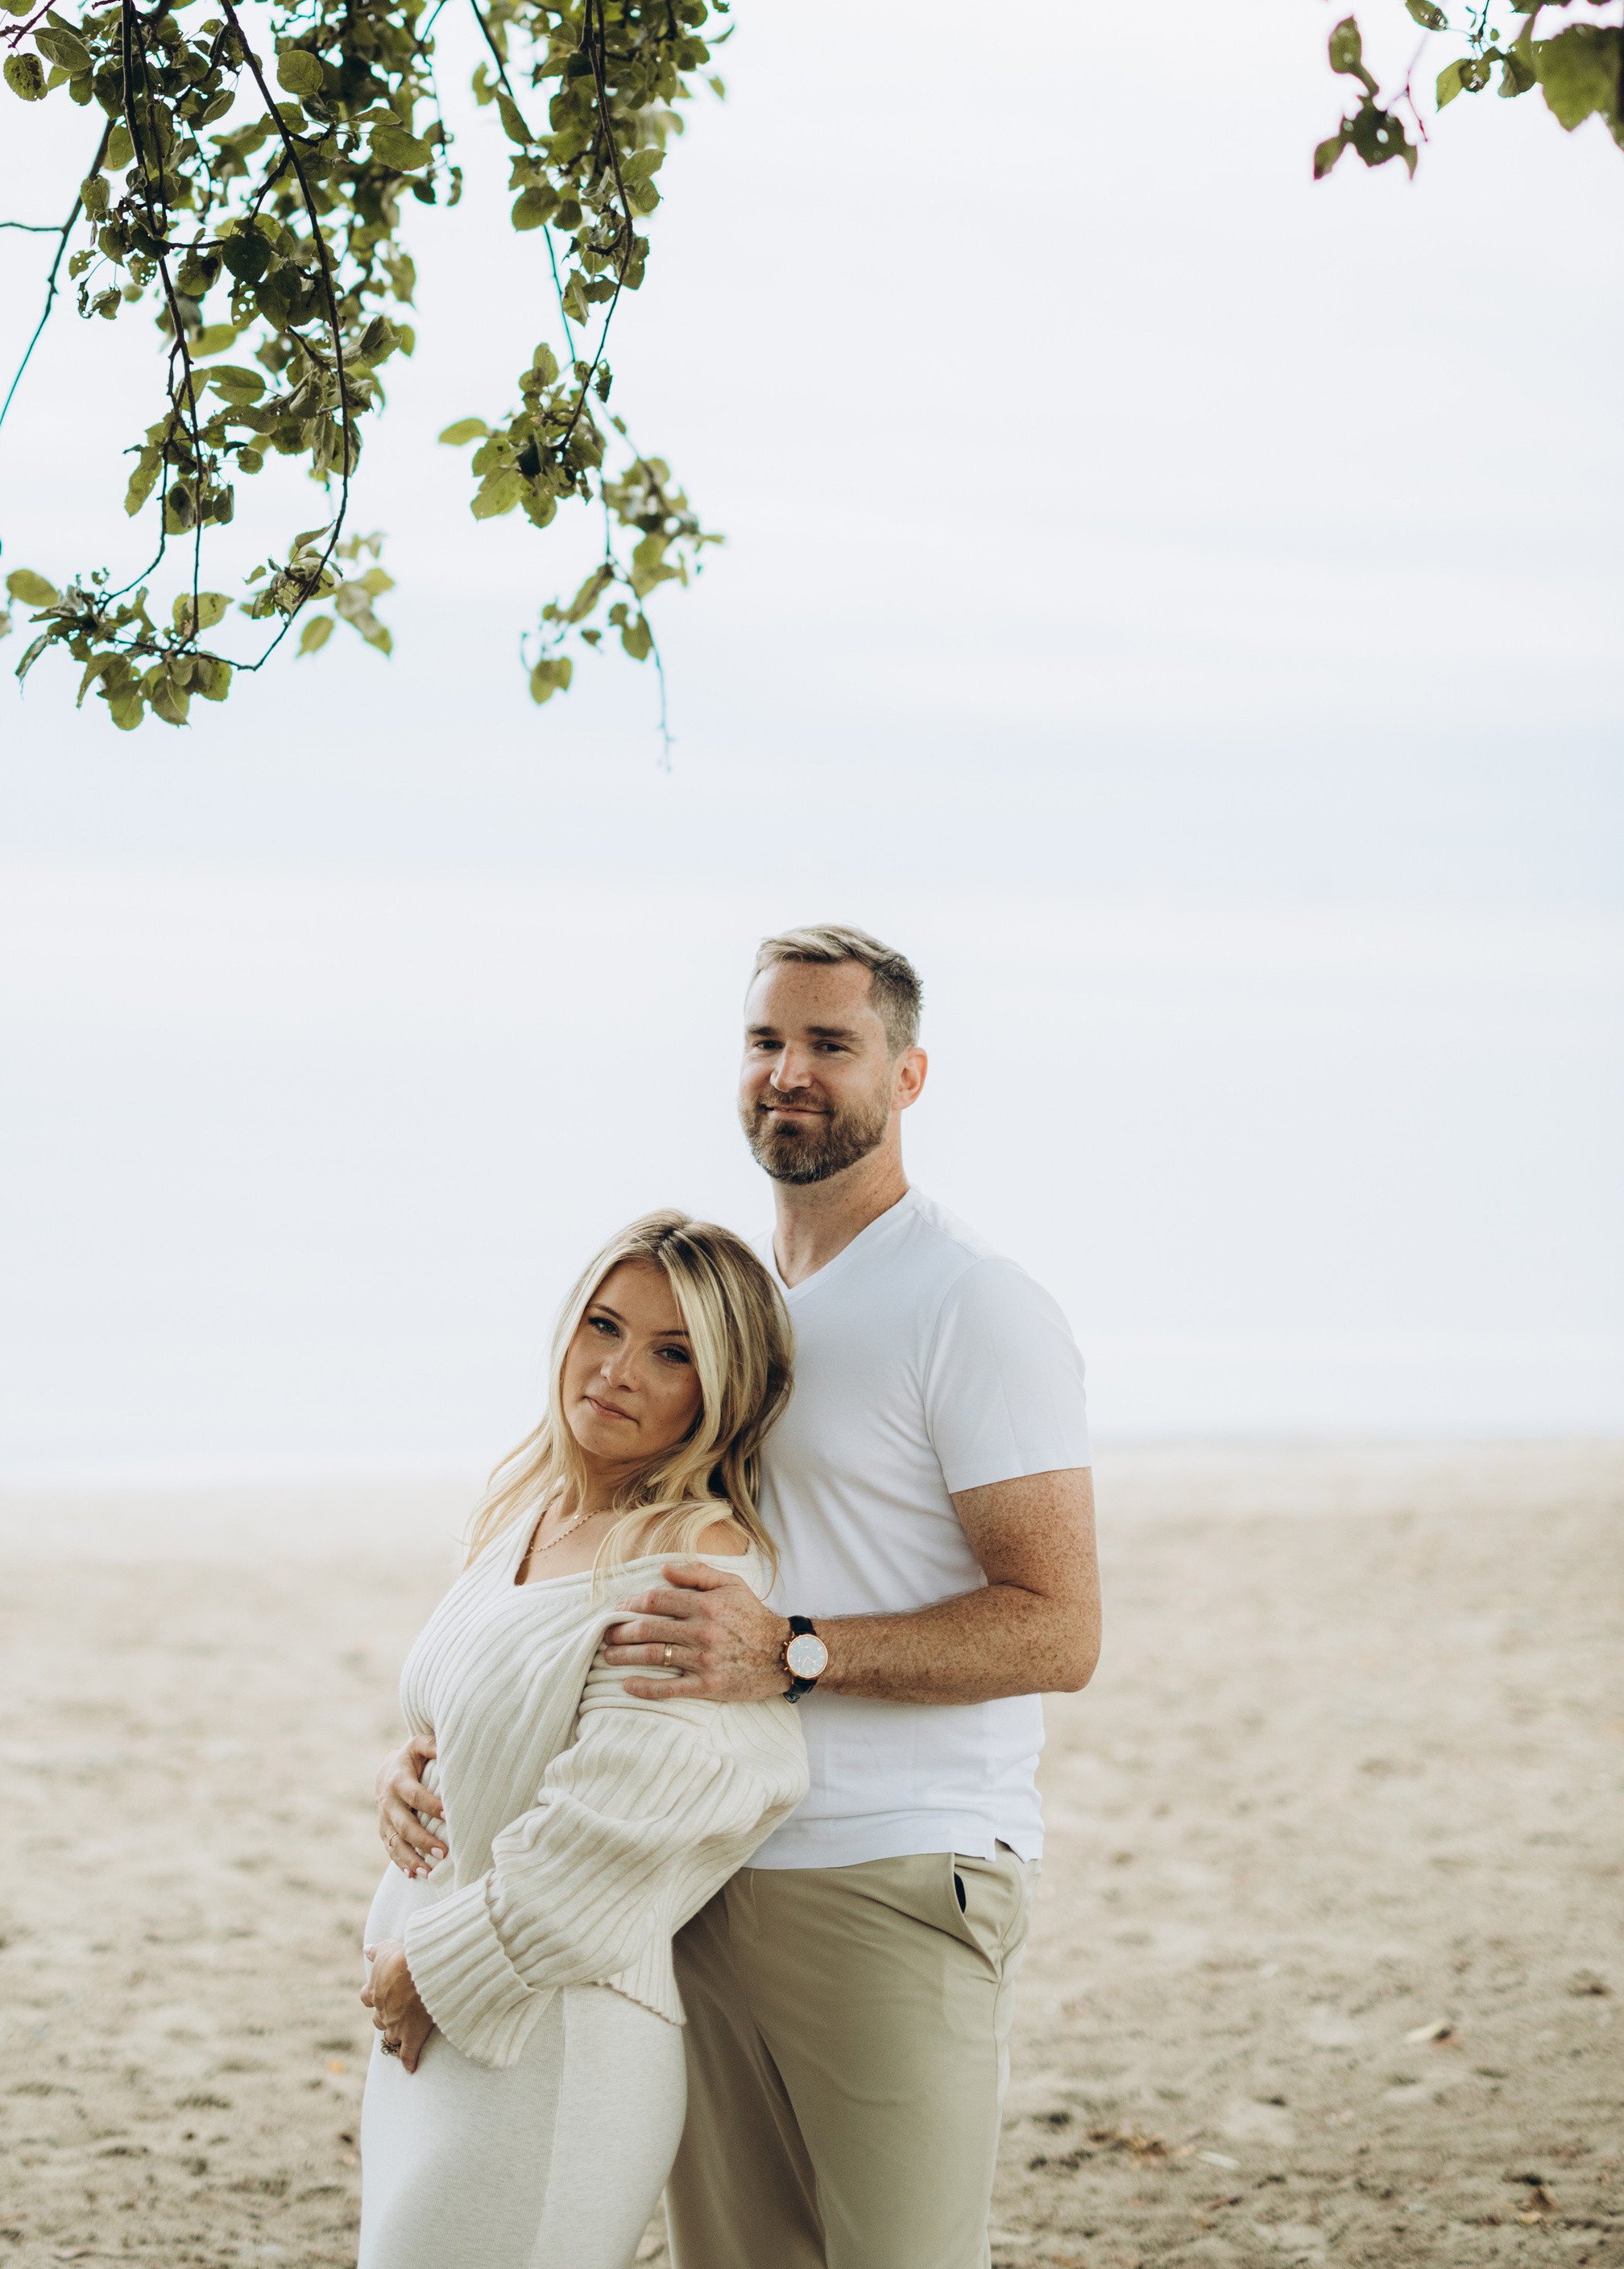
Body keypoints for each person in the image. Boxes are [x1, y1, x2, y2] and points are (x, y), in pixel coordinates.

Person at [379, 925, 1100, 2269]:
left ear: (911, 1073)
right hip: (695, 1877)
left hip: (892, 1871)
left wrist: (798, 1652)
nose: (791, 1072)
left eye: (833, 1043)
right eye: (767, 1040)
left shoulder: (972, 1302)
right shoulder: (736, 1303)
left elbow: (1060, 1627)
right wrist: (449, 1745)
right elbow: (599, 1562)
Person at [357, 1212, 809, 2269]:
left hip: (543, 2033)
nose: (615, 1369)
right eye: (603, 1325)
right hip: (436, 2011)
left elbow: (628, 1820)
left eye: (671, 1352)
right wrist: (403, 1772)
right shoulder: (535, 1514)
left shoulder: (695, 1559)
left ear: (725, 1389)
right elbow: (478, 1713)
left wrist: (432, 1967)